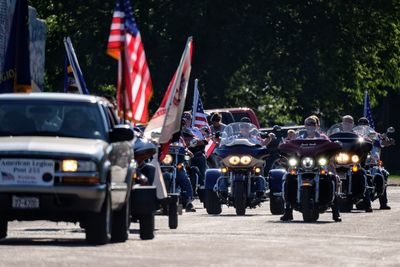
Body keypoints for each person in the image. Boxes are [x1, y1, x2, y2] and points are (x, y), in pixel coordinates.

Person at [280, 115, 342, 222]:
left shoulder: (323, 138)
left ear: (317, 126)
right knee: (289, 177)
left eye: (312, 124)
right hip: (301, 165)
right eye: (308, 124)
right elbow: (290, 145)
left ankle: (336, 212)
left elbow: (330, 145)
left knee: (331, 178)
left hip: (318, 165)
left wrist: (335, 145)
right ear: (305, 125)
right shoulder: (299, 138)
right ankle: (288, 211)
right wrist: (284, 144)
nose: (310, 126)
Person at [357, 117, 392, 210]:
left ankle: (383, 203)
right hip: (358, 162)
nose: (363, 125)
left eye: (365, 123)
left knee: (382, 173)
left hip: (373, 162)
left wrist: (387, 140)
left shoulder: (375, 135)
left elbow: (385, 142)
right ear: (358, 125)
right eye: (361, 124)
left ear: (368, 125)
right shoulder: (355, 135)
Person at [181, 112, 208, 190]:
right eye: (183, 120)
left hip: (195, 152)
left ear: (190, 120)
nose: (185, 122)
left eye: (188, 119)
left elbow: (203, 140)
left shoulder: (195, 130)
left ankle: (201, 184)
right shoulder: (176, 130)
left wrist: (199, 141)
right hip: (181, 153)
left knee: (201, 157)